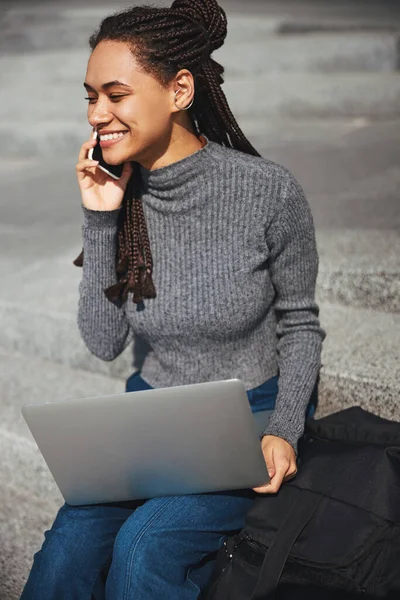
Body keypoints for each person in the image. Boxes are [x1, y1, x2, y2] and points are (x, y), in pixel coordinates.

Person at [20, 0, 325, 598]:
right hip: (151, 418)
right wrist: (100, 220)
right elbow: (105, 343)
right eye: (90, 97)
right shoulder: (121, 197)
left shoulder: (267, 192)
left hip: (248, 415)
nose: (97, 114)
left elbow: (301, 324)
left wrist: (286, 428)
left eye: (116, 94)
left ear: (180, 89)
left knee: (144, 547)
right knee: (67, 552)